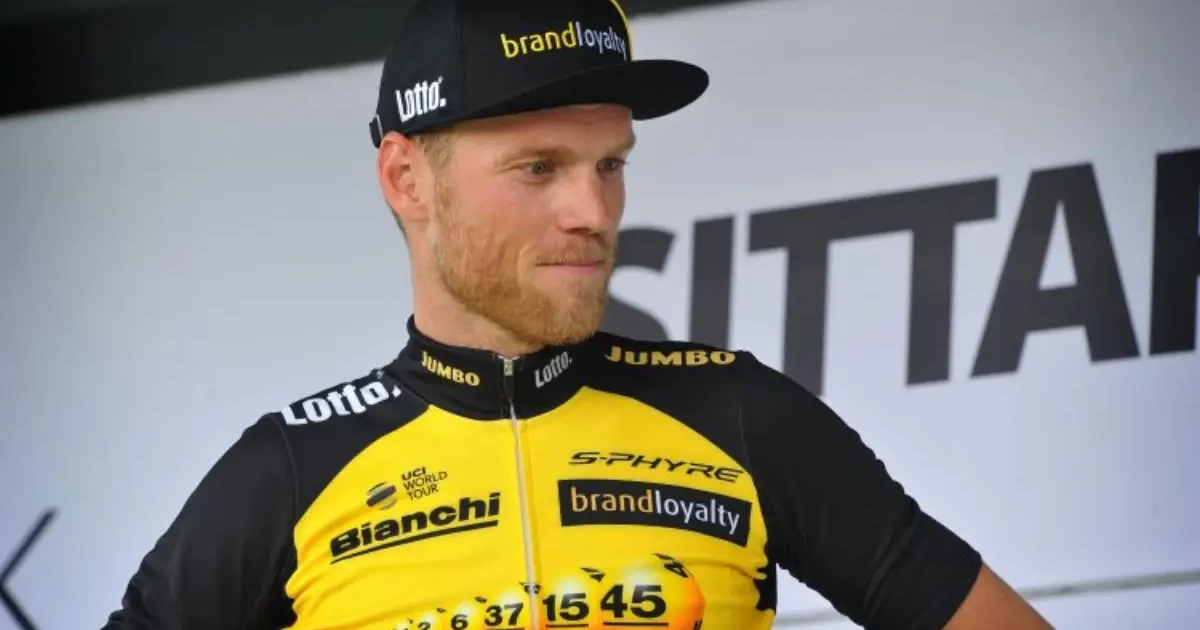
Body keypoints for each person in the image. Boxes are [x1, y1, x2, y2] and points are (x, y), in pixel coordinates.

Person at [102, 0, 1055, 628]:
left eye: (610, 164)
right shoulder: (288, 472)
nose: (593, 212)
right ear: (407, 179)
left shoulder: (739, 415)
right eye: (538, 168)